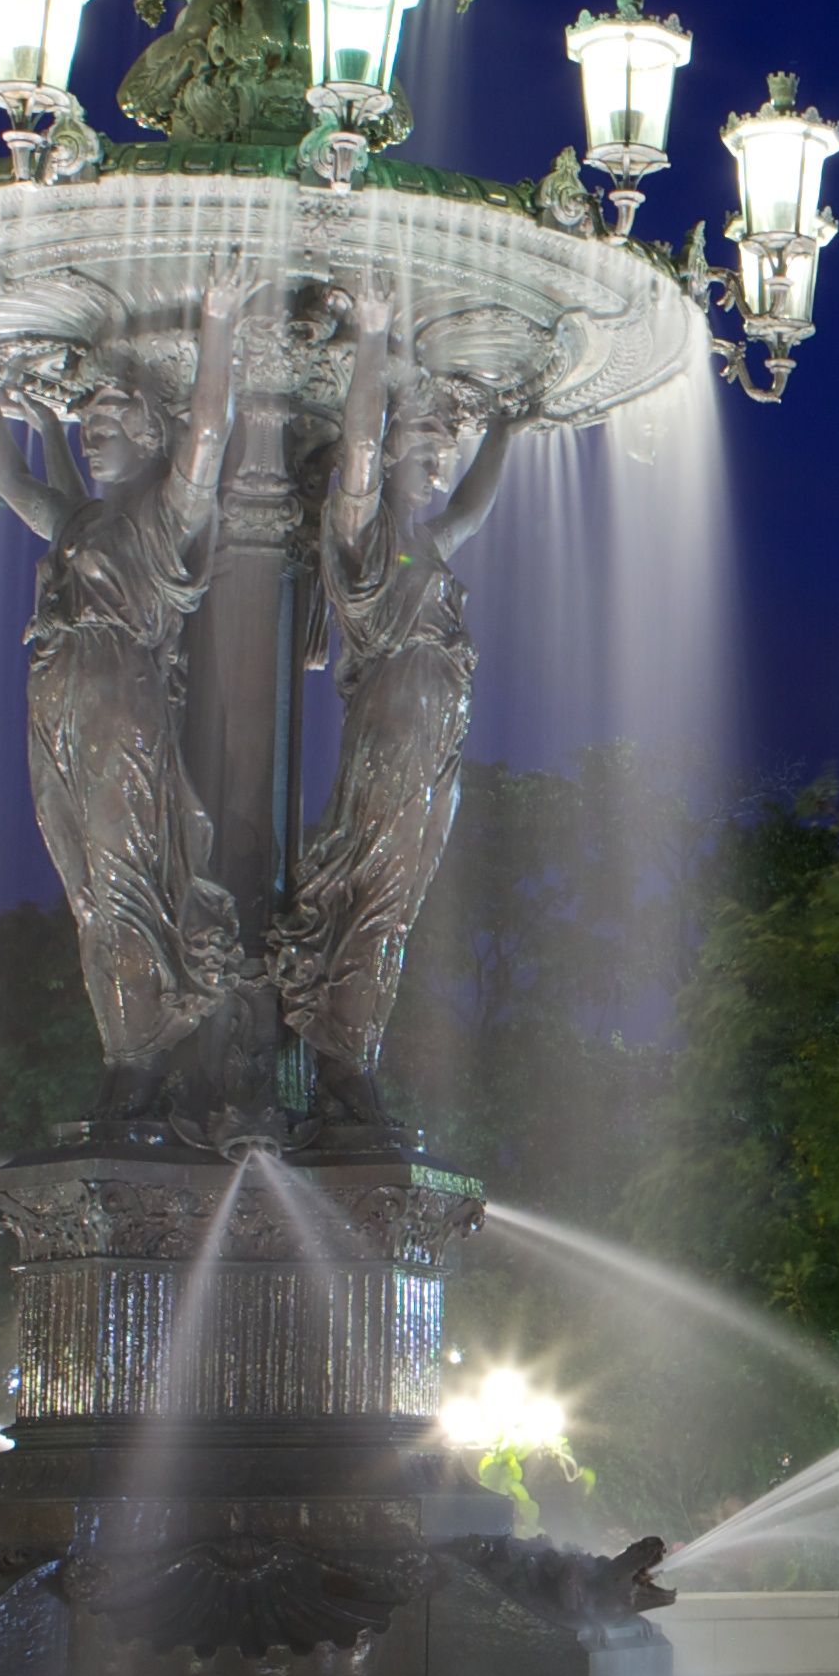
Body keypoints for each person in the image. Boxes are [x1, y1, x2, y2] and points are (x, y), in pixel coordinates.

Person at [0, 272, 255, 1139]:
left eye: (109, 425)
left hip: (121, 711)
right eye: (86, 427)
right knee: (91, 889)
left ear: (147, 429)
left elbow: (207, 435)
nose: (94, 438)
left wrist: (216, 325)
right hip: (58, 710)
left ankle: (142, 1058)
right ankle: (129, 1051)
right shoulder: (79, 524)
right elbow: (9, 480)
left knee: (127, 881)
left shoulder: (164, 518)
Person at [275, 288, 518, 1141]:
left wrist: (508, 432)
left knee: (396, 901)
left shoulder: (422, 545)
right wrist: (373, 340)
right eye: (424, 451)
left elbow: (470, 510)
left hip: (431, 748)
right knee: (373, 900)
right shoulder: (363, 535)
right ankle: (343, 1061)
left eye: (443, 455)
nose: (438, 466)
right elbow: (355, 454)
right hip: (391, 740)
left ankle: (351, 1055)